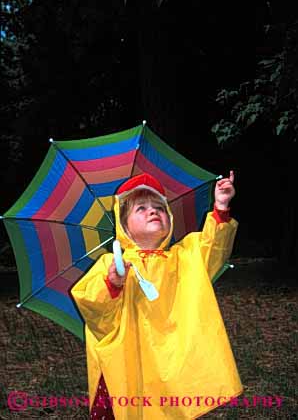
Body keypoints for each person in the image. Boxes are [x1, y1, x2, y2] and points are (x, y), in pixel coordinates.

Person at [71, 171, 243, 419]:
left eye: (159, 207)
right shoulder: (112, 264)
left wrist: (221, 206)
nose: (153, 211)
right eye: (141, 208)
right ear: (124, 224)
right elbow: (94, 310)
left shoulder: (185, 257)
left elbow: (212, 247)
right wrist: (113, 284)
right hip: (127, 360)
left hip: (171, 360)